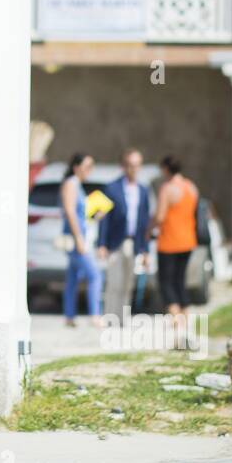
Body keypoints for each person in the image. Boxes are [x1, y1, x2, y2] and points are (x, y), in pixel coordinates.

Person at [96, 148, 151, 322]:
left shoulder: (142, 191)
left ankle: (122, 319)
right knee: (114, 282)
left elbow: (145, 222)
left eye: (136, 165)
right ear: (123, 166)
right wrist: (101, 244)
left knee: (128, 283)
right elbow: (104, 219)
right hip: (115, 242)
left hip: (133, 243)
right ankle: (110, 318)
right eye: (129, 165)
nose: (133, 169)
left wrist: (145, 249)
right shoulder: (111, 188)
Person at [153, 155, 198, 346]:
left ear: (165, 169)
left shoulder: (167, 189)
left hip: (169, 241)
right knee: (180, 280)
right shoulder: (191, 187)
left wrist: (148, 228)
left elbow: (160, 216)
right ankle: (186, 320)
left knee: (166, 282)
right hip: (188, 240)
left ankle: (177, 322)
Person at [60, 153, 104, 328]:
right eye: (87, 167)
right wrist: (78, 238)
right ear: (76, 167)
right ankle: (95, 315)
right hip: (75, 238)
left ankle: (69, 316)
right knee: (95, 275)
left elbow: (80, 214)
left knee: (73, 277)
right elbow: (70, 212)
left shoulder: (77, 185)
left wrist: (94, 217)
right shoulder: (70, 184)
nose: (89, 171)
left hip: (82, 235)